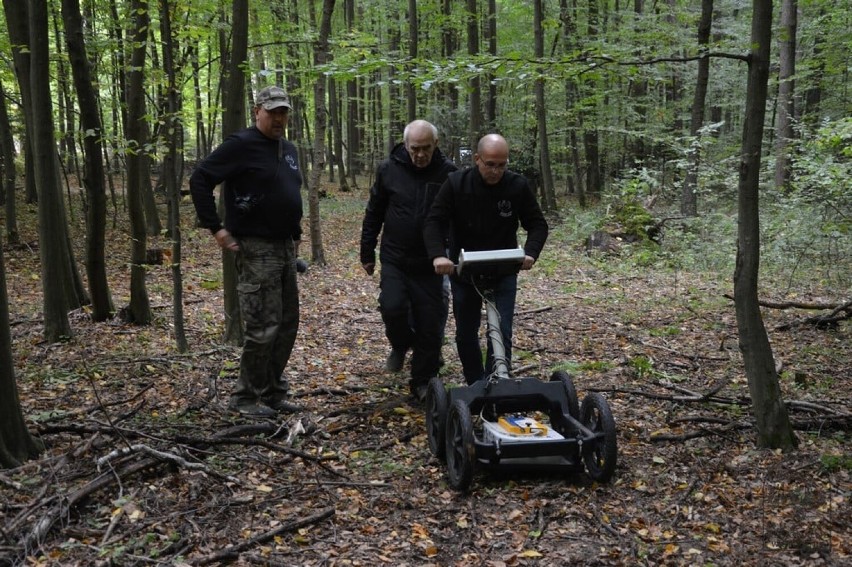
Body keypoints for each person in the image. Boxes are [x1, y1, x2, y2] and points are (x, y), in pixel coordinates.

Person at [189, 86, 304, 417]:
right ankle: (245, 397)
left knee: (286, 324)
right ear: (258, 111)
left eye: (283, 112)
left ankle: (271, 391)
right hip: (255, 249)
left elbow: (288, 192)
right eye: (273, 111)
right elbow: (200, 179)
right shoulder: (240, 145)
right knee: (262, 326)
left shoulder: (289, 149)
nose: (279, 118)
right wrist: (217, 228)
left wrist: (295, 233)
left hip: (283, 248)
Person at [424, 133, 549, 385]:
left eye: (502, 164)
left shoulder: (517, 186)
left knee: (502, 331)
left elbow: (537, 224)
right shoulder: (456, 184)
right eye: (490, 164)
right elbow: (434, 222)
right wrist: (438, 255)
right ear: (477, 159)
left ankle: (499, 382)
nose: (496, 171)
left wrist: (531, 253)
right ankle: (476, 384)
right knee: (466, 333)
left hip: (503, 269)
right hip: (465, 271)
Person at [360, 120, 457, 401]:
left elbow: (457, 218)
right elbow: (374, 211)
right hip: (395, 257)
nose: (420, 155)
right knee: (392, 307)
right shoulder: (389, 170)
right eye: (415, 148)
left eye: (426, 148)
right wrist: (367, 251)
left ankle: (423, 381)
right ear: (405, 145)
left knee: (431, 322)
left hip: (432, 261)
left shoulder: (448, 173)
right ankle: (401, 344)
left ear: (435, 145)